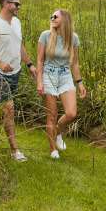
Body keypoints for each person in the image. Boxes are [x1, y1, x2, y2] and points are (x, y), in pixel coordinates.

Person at [0, 0, 37, 162]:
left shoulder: (17, 23)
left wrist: (29, 64)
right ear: (6, 4)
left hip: (15, 73)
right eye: (16, 4)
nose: (19, 7)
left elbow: (19, 45)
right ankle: (15, 150)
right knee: (9, 108)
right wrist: (1, 64)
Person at [36, 9, 87, 159]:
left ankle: (57, 133)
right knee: (51, 116)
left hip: (65, 75)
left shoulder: (73, 38)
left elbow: (75, 63)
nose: (52, 18)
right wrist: (39, 81)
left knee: (71, 113)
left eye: (55, 16)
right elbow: (39, 60)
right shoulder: (45, 35)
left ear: (64, 20)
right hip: (49, 75)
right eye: (51, 16)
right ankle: (53, 150)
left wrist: (80, 83)